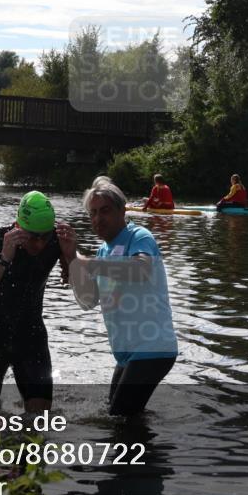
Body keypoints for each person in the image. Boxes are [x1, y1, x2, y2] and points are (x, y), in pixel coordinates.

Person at [60, 176, 178, 416]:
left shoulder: (139, 236)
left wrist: (88, 264)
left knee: (121, 417)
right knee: (117, 416)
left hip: (152, 348)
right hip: (127, 352)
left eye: (105, 211)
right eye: (93, 213)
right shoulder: (104, 249)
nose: (97, 219)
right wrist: (73, 265)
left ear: (122, 210)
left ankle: (148, 454)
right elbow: (89, 300)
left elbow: (142, 270)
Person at [0, 191, 74, 413]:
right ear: (17, 227)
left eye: (45, 236)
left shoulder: (57, 240)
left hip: (30, 334)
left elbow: (81, 289)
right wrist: (4, 259)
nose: (40, 243)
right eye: (32, 236)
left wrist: (71, 256)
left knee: (40, 418)